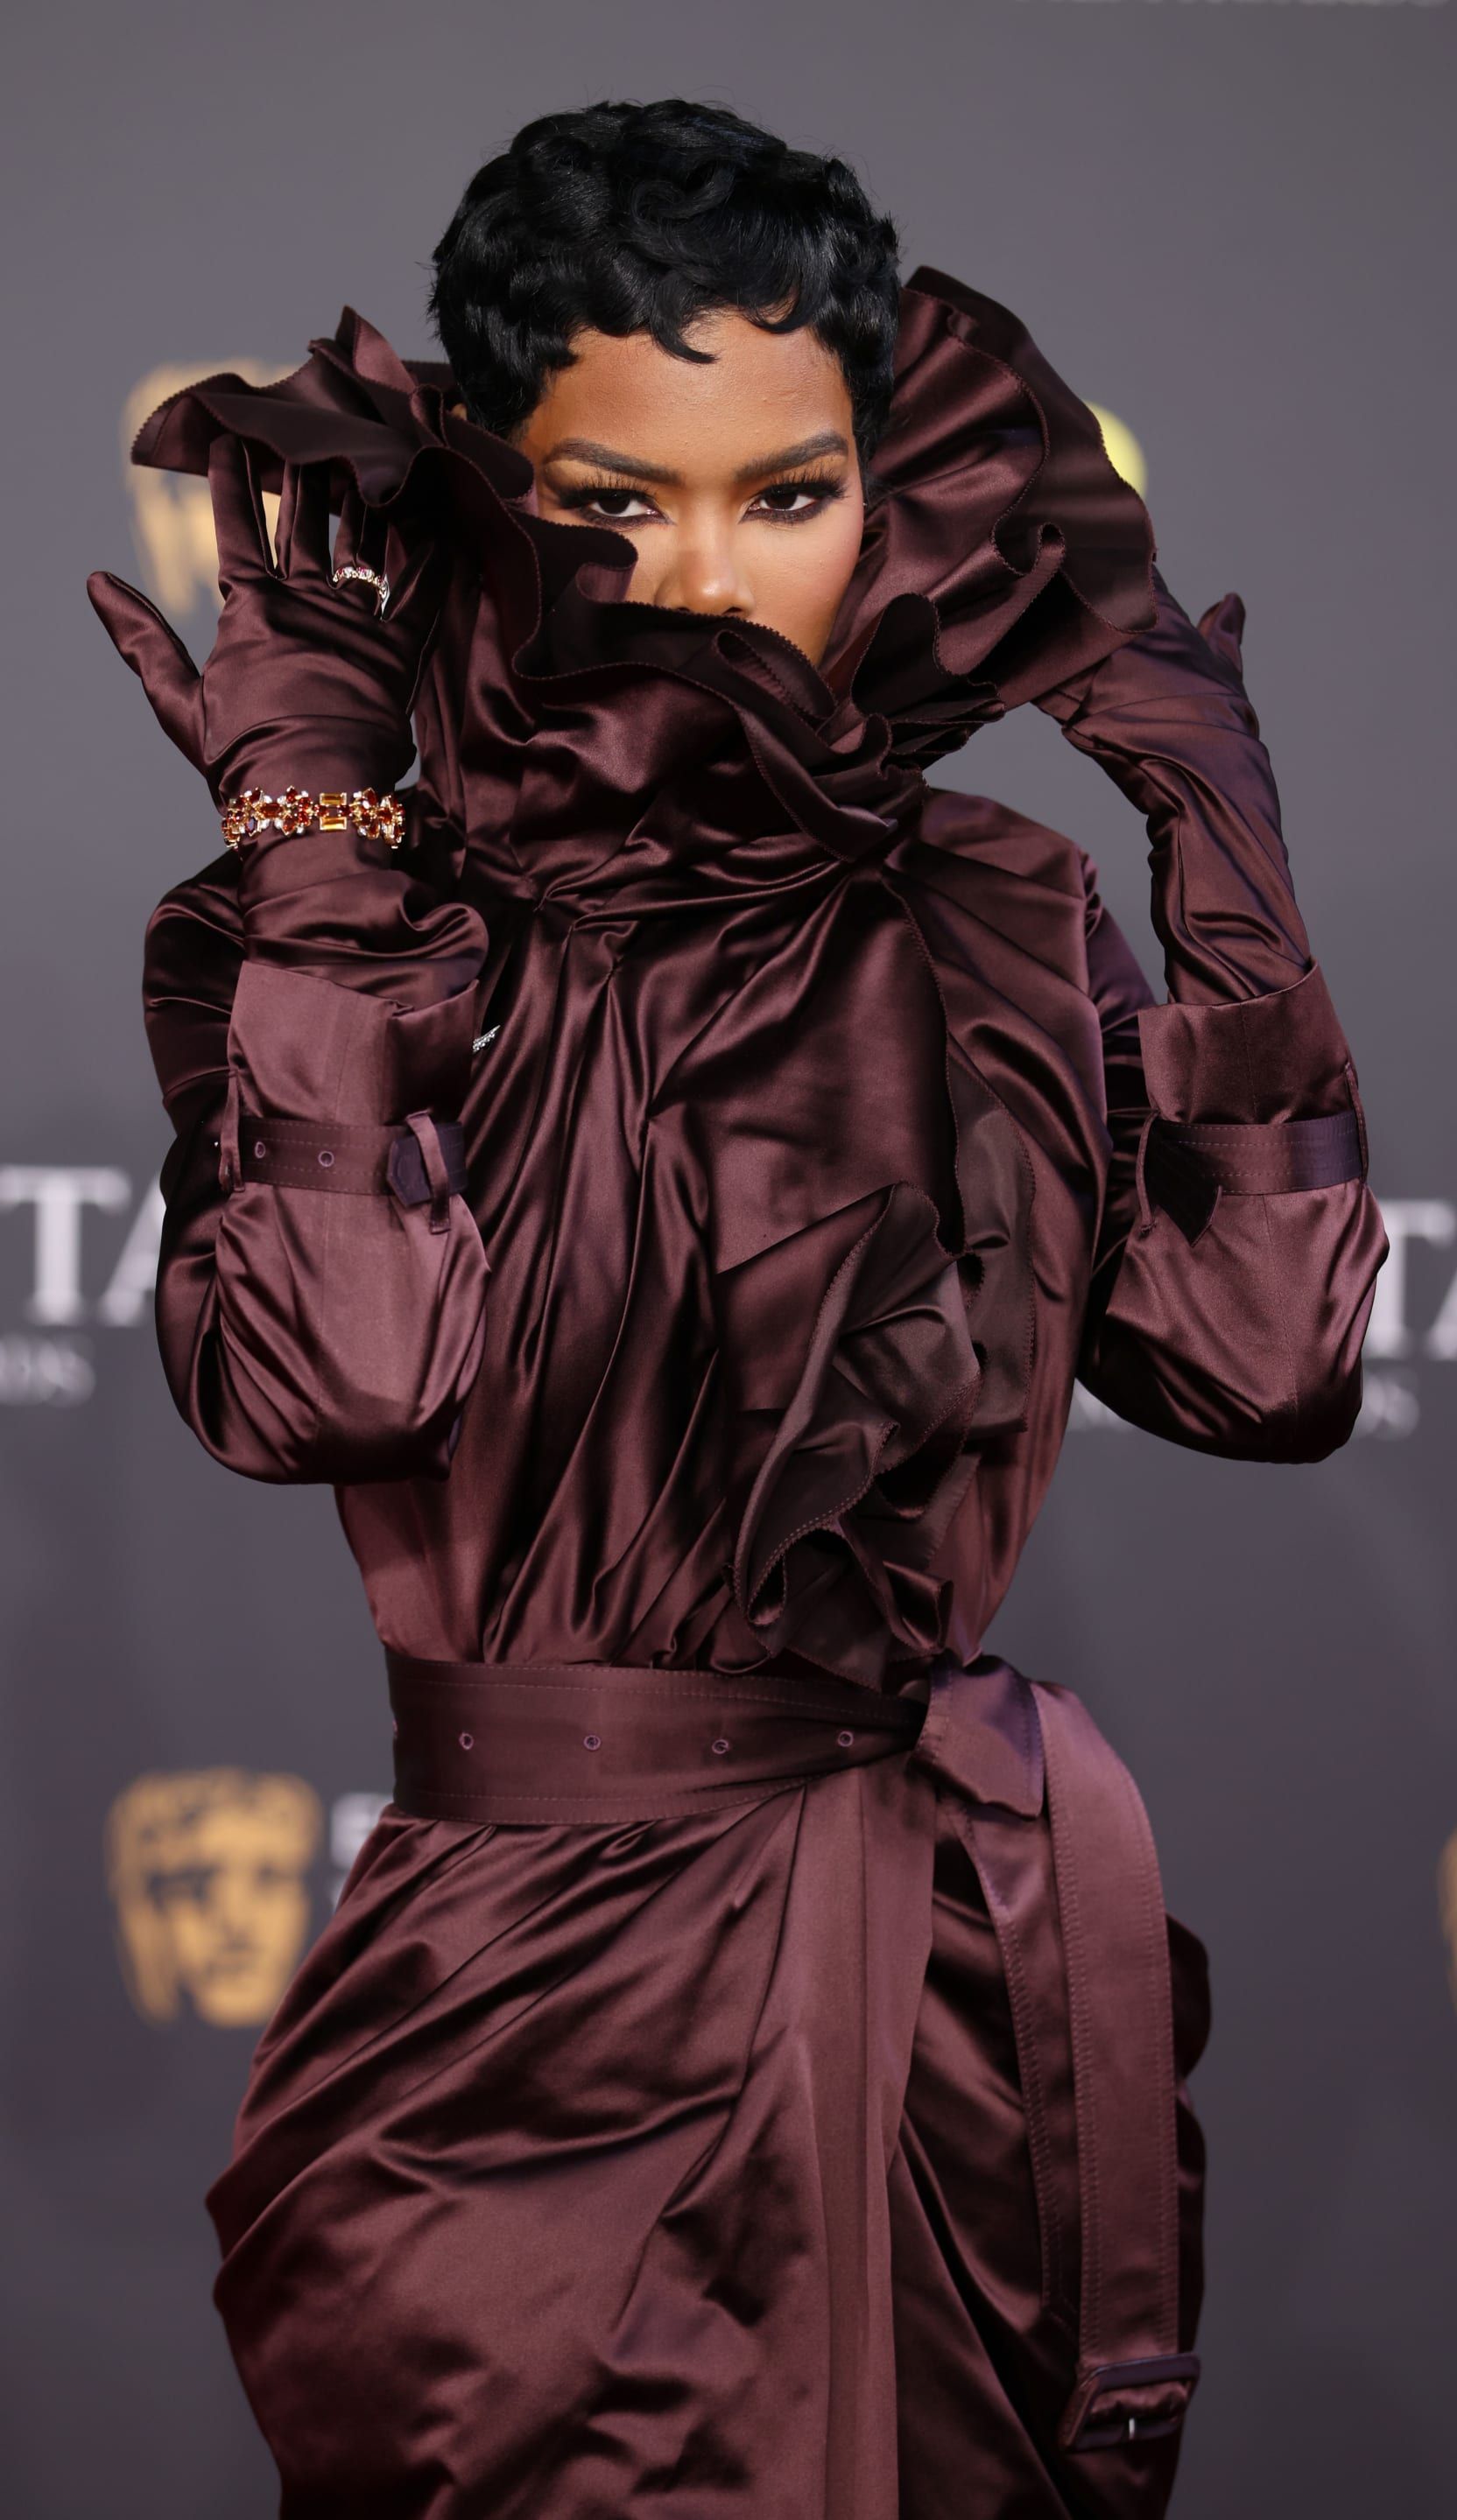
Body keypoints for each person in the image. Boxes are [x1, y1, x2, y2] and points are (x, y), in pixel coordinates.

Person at [88, 96, 1387, 2520]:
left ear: (883, 496)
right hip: (519, 2062)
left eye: (787, 493)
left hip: (956, 2031)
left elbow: (1266, 1362)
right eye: (616, 500)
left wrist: (1220, 837)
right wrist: (317, 851)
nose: (705, 576)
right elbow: (330, 1376)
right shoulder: (375, 931)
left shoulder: (1003, 909)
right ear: (492, 492)